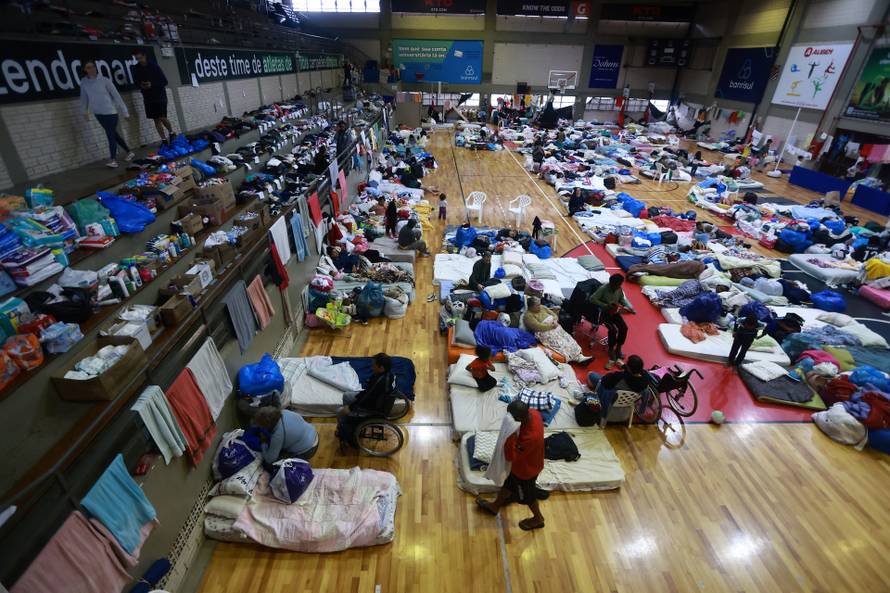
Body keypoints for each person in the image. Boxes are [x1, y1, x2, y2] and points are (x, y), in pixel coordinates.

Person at [475, 400, 546, 531]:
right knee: (509, 484)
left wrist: (510, 434)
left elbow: (510, 456)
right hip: (526, 464)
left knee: (528, 497)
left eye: (510, 417)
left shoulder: (529, 438)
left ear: (518, 419)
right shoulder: (534, 413)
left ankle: (538, 519)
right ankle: (495, 506)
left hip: (526, 472)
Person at [79, 60, 134, 168]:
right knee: (113, 134)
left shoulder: (104, 80)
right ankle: (129, 152)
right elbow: (84, 98)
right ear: (85, 70)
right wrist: (84, 111)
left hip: (111, 113)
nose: (92, 69)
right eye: (88, 67)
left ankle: (113, 160)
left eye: (93, 66)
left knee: (110, 134)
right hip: (98, 114)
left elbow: (117, 96)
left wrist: (125, 112)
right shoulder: (84, 82)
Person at [589, 274, 636, 368]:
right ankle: (611, 349)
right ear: (611, 283)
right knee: (613, 330)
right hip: (604, 314)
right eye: (616, 285)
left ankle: (618, 347)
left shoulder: (619, 289)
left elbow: (622, 299)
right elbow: (592, 299)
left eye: (619, 285)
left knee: (624, 328)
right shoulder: (603, 289)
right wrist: (605, 305)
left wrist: (629, 307)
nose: (617, 287)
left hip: (614, 312)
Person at [523, 297, 589, 363]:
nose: (539, 306)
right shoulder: (528, 316)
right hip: (544, 332)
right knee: (560, 343)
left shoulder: (542, 307)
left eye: (539, 304)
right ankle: (576, 358)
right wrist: (552, 326)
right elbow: (538, 327)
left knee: (568, 338)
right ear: (531, 307)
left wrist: (555, 320)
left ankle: (579, 355)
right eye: (537, 305)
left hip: (555, 327)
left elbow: (554, 314)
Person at [132, 49, 173, 144]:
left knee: (162, 117)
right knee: (156, 119)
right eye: (137, 59)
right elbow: (136, 82)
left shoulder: (154, 67)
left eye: (140, 58)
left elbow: (164, 81)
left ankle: (171, 132)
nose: (139, 60)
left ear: (144, 56)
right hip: (148, 98)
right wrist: (141, 85)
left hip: (159, 97)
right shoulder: (136, 68)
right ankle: (163, 140)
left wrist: (152, 84)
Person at [253, 406, 319, 464]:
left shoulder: (277, 435)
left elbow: (269, 460)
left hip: (308, 450)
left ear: (268, 424)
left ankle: (302, 459)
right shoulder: (285, 412)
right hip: (314, 434)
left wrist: (263, 442)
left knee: (269, 464)